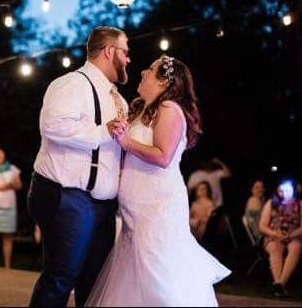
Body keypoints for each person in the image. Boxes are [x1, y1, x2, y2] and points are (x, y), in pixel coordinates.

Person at [86, 55, 230, 306]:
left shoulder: (170, 109)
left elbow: (163, 156)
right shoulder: (141, 110)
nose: (142, 71)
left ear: (164, 81)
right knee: (134, 273)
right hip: (135, 207)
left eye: (150, 70)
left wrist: (126, 142)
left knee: (157, 272)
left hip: (157, 205)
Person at [28, 26, 130, 307]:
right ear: (109, 51)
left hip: (103, 206)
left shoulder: (118, 100)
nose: (128, 59)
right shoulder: (72, 84)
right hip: (68, 197)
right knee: (61, 279)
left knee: (95, 283)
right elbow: (53, 127)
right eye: (125, 52)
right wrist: (103, 131)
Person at [259, 180, 302, 297]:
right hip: (274, 235)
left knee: (295, 247)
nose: (284, 192)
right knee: (275, 247)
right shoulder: (272, 203)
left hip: (295, 234)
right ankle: (279, 285)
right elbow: (262, 225)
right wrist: (276, 234)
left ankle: (280, 283)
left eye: (287, 189)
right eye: (281, 189)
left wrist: (291, 235)